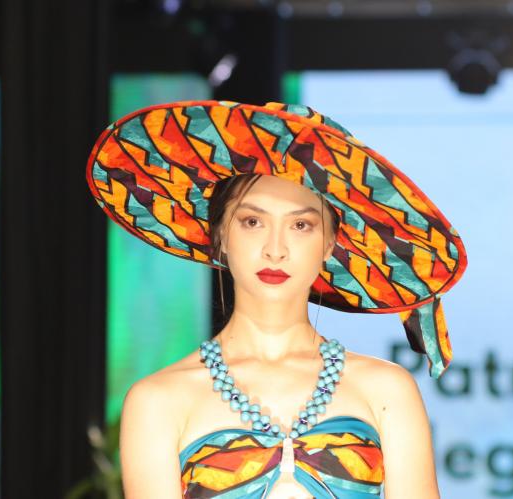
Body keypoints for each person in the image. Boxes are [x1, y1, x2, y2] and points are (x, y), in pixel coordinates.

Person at [85, 100, 468, 498]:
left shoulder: (387, 390)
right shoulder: (157, 400)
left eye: (301, 225)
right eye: (252, 222)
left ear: (329, 244)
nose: (275, 249)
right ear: (220, 234)